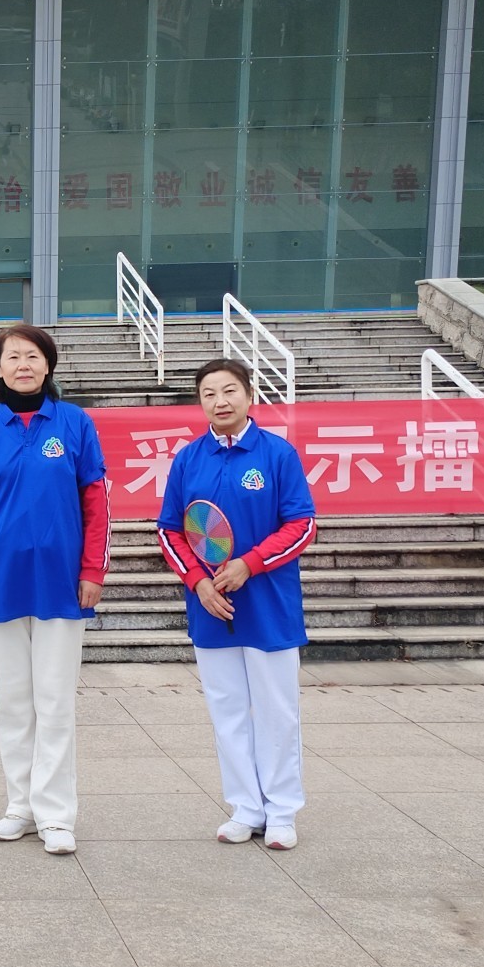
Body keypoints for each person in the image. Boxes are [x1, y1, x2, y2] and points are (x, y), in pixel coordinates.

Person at [0, 323, 109, 855]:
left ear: (48, 365)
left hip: (62, 582)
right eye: (13, 357)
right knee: (15, 700)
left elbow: (97, 503)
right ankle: (20, 805)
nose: (23, 364)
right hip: (0, 581)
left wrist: (93, 570)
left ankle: (56, 815)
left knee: (55, 701)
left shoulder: (75, 422)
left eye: (33, 356)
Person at [157, 358, 315, 851]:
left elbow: (302, 525)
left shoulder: (277, 454)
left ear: (249, 395)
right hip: (212, 608)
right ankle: (246, 807)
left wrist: (250, 563)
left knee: (276, 711)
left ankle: (281, 811)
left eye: (229, 390)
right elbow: (170, 530)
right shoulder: (189, 459)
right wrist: (198, 583)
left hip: (269, 605)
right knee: (226, 711)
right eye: (208, 393)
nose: (219, 401)